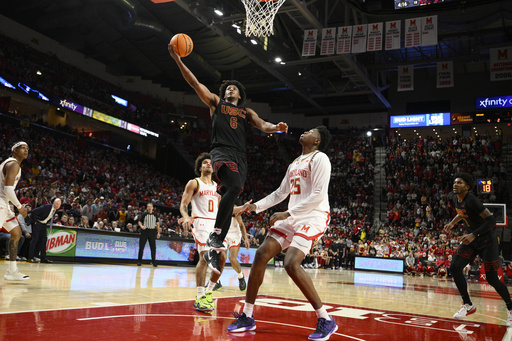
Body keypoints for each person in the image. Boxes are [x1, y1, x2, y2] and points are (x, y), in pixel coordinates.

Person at [169, 44, 288, 274]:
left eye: (234, 88)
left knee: (233, 190)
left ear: (240, 95)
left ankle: (216, 241)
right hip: (221, 152)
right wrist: (177, 59)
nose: (230, 90)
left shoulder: (247, 112)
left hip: (240, 157)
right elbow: (194, 83)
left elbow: (264, 125)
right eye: (228, 88)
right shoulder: (216, 102)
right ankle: (216, 235)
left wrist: (277, 128)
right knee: (232, 185)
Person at [227, 126, 338, 341]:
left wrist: (287, 212)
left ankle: (325, 319)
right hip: (293, 217)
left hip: (313, 215)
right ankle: (248, 315)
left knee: (291, 263)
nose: (306, 132)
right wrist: (254, 207)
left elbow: (318, 195)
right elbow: (280, 193)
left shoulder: (321, 158)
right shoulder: (295, 163)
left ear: (317, 141)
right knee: (260, 255)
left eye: (312, 131)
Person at [444, 172, 512, 325]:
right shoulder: (456, 198)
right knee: (455, 267)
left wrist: (473, 234)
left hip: (487, 240)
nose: (455, 184)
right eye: (455, 182)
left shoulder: (473, 201)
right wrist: (453, 222)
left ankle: (511, 309)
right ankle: (468, 305)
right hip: (473, 239)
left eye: (459, 182)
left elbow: (491, 221)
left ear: (467, 187)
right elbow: (462, 214)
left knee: (492, 279)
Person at [179, 153, 225, 312]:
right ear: (200, 167)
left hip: (215, 225)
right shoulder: (194, 183)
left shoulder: (217, 187)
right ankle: (199, 296)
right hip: (200, 221)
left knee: (222, 258)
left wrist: (244, 208)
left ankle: (208, 292)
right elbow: (184, 204)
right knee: (205, 256)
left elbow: (224, 210)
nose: (208, 164)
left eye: (210, 163)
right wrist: (186, 217)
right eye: (205, 163)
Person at [1, 142, 29, 280]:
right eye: (23, 148)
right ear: (14, 150)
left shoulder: (12, 164)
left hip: (4, 203)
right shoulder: (13, 164)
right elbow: (8, 189)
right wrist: (19, 206)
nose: (26, 150)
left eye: (27, 148)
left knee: (16, 233)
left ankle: (12, 271)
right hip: (0, 202)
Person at [29, 198, 62, 264]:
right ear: (54, 203)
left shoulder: (55, 210)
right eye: (57, 204)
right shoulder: (46, 207)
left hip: (43, 225)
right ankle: (30, 257)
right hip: (38, 223)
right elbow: (33, 212)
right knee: (34, 240)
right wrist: (35, 221)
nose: (58, 206)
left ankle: (43, 258)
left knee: (43, 241)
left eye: (59, 204)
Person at [225, 213, 250, 290]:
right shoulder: (219, 206)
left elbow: (242, 225)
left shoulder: (235, 209)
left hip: (235, 234)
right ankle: (216, 281)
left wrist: (245, 238)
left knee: (232, 258)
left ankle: (240, 276)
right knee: (220, 257)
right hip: (224, 233)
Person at [137, 203, 160, 267]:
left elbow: (157, 224)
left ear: (153, 208)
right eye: (148, 207)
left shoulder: (155, 215)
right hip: (145, 231)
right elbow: (139, 221)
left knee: (153, 248)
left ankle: (153, 261)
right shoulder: (144, 214)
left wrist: (158, 232)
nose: (149, 208)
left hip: (152, 231)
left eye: (151, 206)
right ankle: (139, 261)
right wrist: (141, 226)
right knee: (141, 247)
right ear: (147, 208)